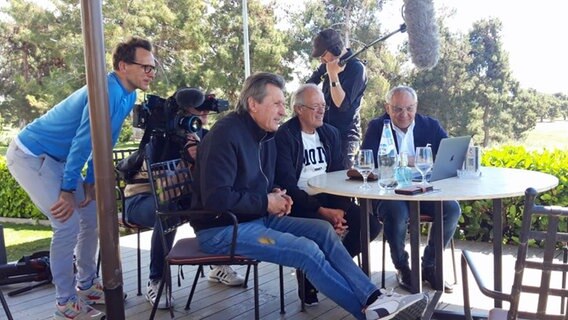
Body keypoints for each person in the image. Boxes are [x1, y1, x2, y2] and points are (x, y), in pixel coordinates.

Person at [190, 72, 427, 320]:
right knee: (305, 249)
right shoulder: (225, 134)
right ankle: (367, 314)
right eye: (277, 104)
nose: (283, 111)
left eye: (283, 104)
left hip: (255, 218)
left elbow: (260, 183)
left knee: (323, 232)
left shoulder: (264, 134)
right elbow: (216, 199)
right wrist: (266, 201)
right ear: (253, 104)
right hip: (222, 229)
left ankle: (374, 298)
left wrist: (276, 194)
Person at [5, 37, 155, 320]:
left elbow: (103, 140)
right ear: (123, 66)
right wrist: (66, 188)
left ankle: (86, 285)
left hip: (59, 160)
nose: (151, 72)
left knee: (90, 216)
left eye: (153, 67)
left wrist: (91, 178)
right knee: (66, 223)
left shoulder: (128, 94)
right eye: (145, 66)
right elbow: (82, 142)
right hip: (31, 155)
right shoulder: (106, 91)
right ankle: (64, 301)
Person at [123, 89, 244, 310]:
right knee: (166, 211)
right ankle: (157, 279)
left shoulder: (203, 135)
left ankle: (218, 264)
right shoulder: (160, 138)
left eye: (206, 110)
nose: (203, 114)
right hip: (140, 198)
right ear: (182, 111)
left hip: (176, 196)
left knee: (212, 201)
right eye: (198, 110)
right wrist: (185, 153)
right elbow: (162, 182)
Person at [274, 83, 381, 306]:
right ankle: (318, 271)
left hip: (331, 198)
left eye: (323, 106)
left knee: (370, 225)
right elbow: (286, 183)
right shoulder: (284, 136)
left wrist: (339, 210)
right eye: (315, 106)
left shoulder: (330, 134)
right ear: (299, 109)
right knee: (322, 230)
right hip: (299, 202)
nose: (321, 110)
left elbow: (341, 174)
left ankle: (317, 271)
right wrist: (321, 211)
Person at [361, 85, 461, 293]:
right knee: (397, 212)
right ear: (387, 108)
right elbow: (366, 161)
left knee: (451, 209)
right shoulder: (378, 127)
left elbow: (449, 154)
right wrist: (405, 160)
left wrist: (425, 161)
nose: (404, 114)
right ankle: (403, 267)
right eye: (397, 109)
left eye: (409, 108)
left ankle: (429, 266)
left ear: (416, 107)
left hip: (422, 189)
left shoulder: (430, 125)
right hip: (389, 191)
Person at [307, 28, 367, 167]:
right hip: (325, 133)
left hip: (345, 138)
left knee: (342, 180)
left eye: (323, 55)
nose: (321, 60)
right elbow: (309, 84)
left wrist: (333, 76)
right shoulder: (327, 65)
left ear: (335, 50)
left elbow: (342, 104)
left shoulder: (356, 69)